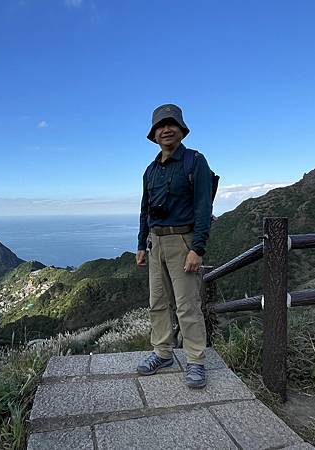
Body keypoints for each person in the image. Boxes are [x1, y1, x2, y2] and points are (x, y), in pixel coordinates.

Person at [135, 103, 215, 389]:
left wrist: (197, 248)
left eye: (171, 124)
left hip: (183, 240)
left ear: (181, 130)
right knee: (157, 302)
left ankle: (195, 360)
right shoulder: (150, 170)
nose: (166, 129)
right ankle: (163, 353)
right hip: (155, 242)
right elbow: (145, 209)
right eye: (160, 126)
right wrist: (141, 245)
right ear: (154, 134)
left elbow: (204, 208)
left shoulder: (195, 161)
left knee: (187, 305)